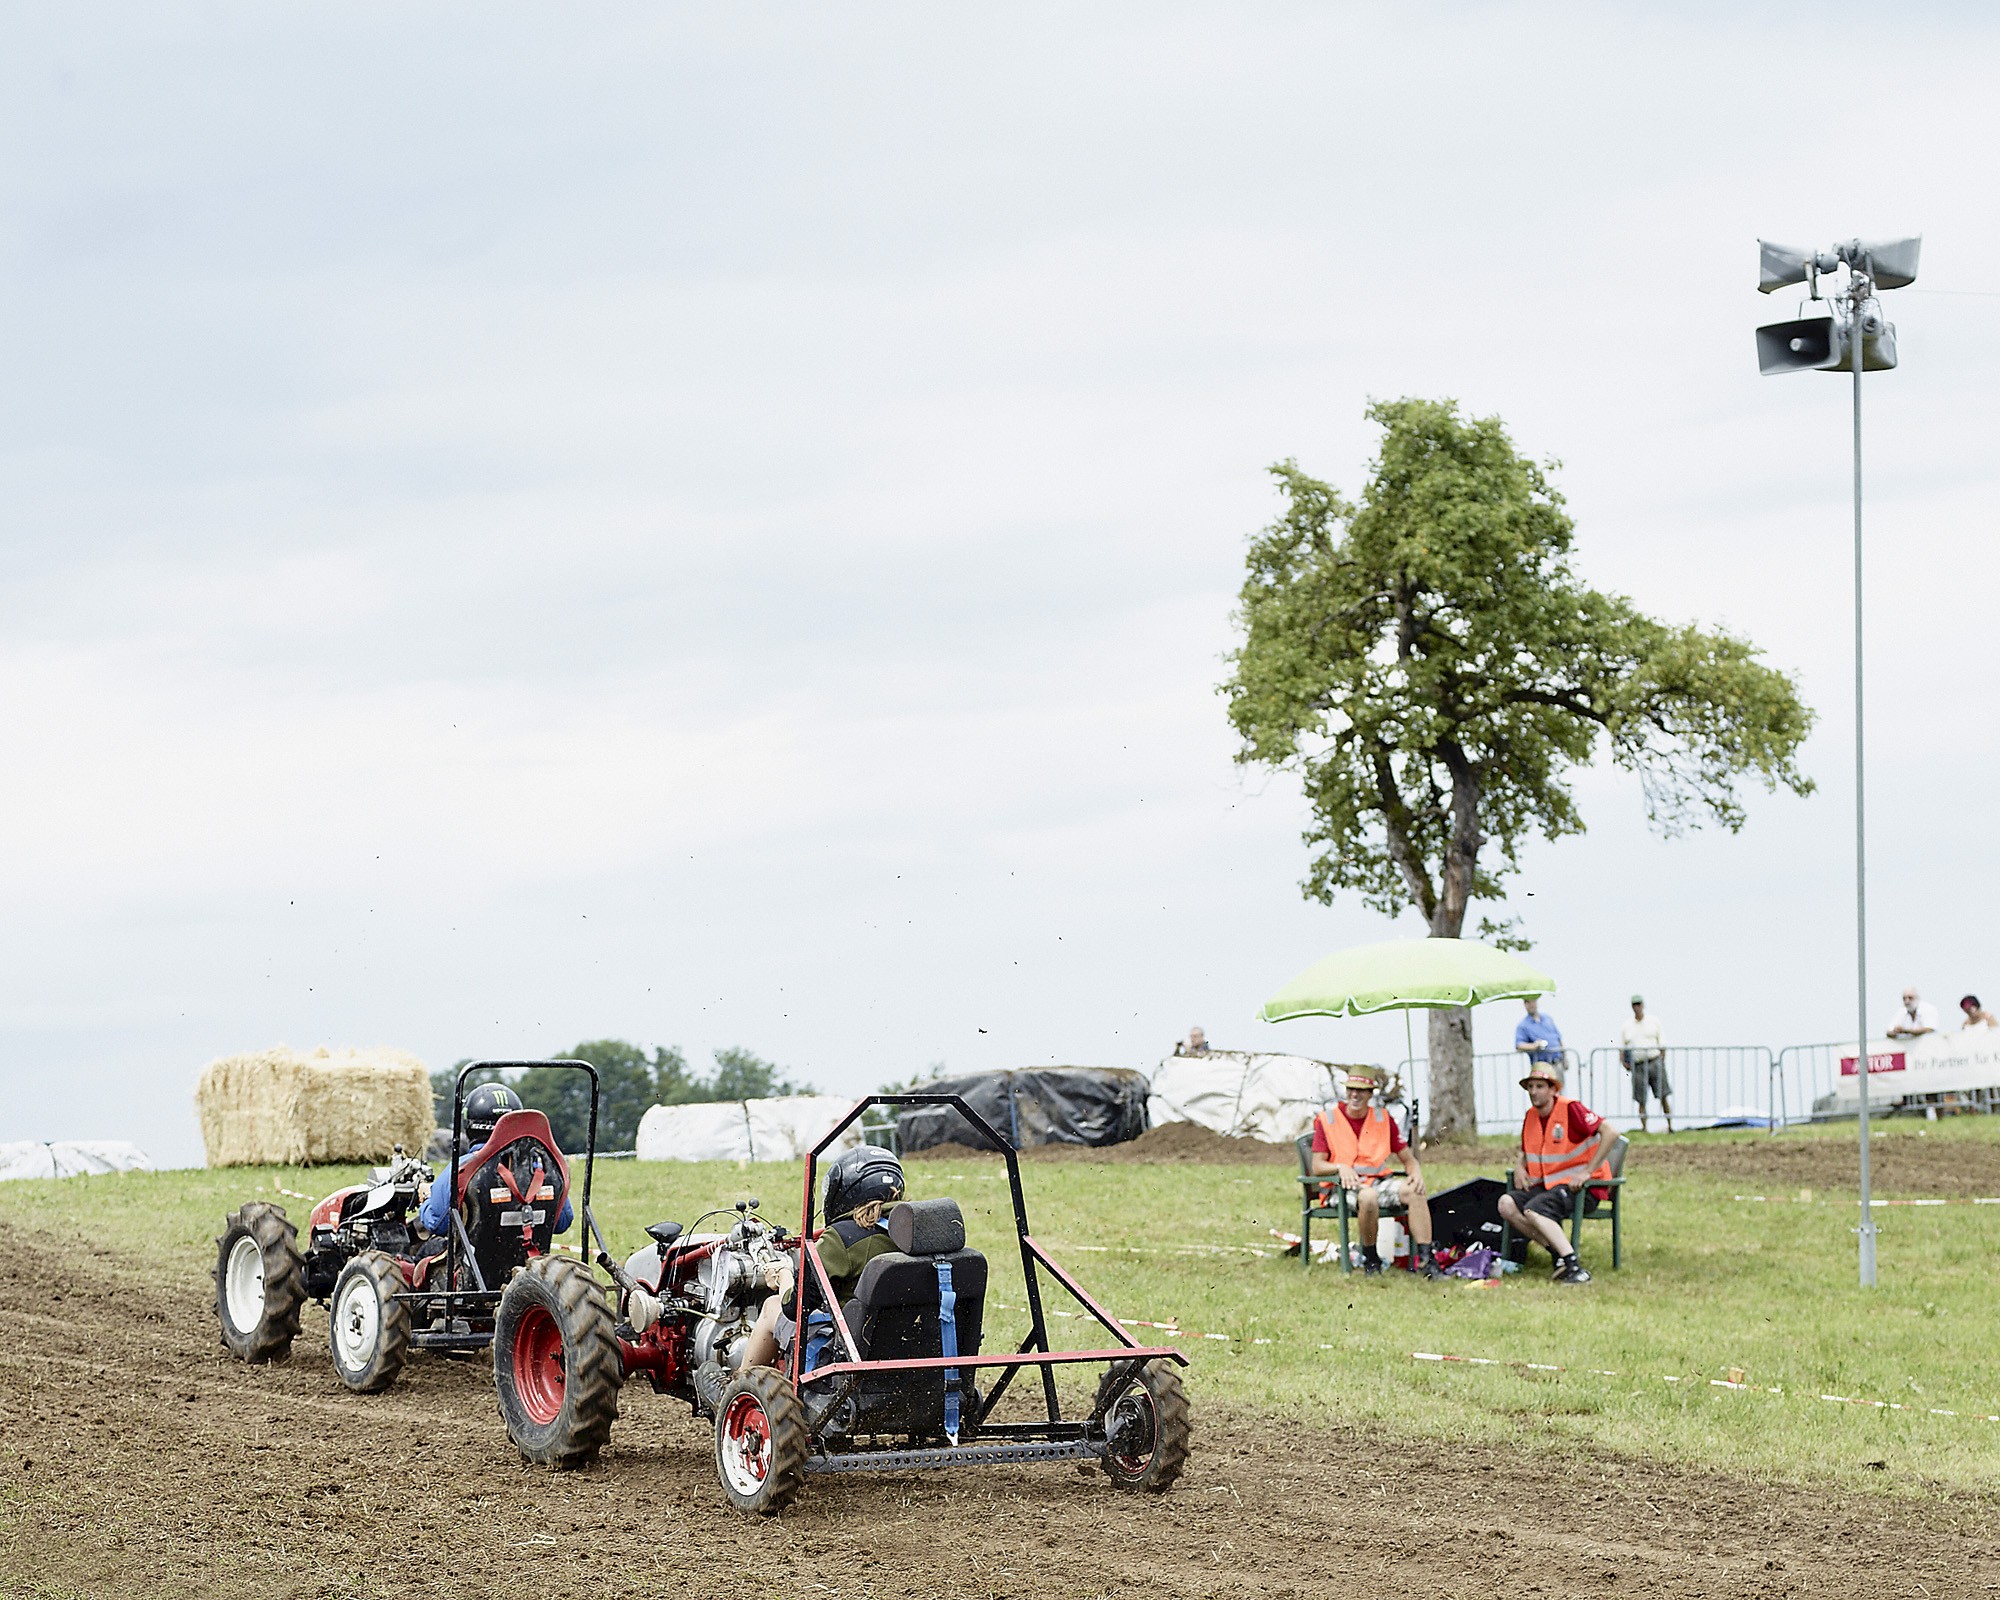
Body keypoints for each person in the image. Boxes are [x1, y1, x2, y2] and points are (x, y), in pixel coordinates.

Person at [743, 1144, 905, 1370]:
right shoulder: (921, 1233)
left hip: (854, 1354)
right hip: (913, 1348)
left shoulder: (843, 1237)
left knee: (772, 1306)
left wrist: (783, 1276)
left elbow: (795, 1307)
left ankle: (740, 1387)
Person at [1309, 1070, 1441, 1278]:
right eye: (1351, 1089)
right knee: (1368, 1197)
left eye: (1361, 1091)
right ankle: (1370, 1258)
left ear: (1370, 1094)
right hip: (1342, 1187)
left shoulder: (1383, 1119)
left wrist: (1416, 1173)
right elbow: (1317, 1166)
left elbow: (1408, 1159)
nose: (1355, 1095)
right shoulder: (1327, 1119)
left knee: (1415, 1191)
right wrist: (1340, 1167)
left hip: (1379, 1183)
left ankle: (1426, 1260)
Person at [1497, 1063, 1615, 1285]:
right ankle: (1558, 1254)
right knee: (1506, 1204)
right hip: (1550, 1186)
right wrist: (1520, 1167)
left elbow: (1611, 1132)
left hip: (1583, 1189)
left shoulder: (1571, 1109)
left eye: (1540, 1086)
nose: (1534, 1092)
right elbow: (1527, 1150)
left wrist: (1587, 1172)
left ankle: (1574, 1267)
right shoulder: (1530, 1116)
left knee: (1534, 1209)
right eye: (1530, 1086)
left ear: (1553, 1089)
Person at [416, 1080, 574, 1239]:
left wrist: (426, 1201)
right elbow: (563, 1222)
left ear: (469, 1123)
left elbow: (437, 1224)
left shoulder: (462, 1169)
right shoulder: (543, 1168)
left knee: (423, 1255)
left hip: (475, 1261)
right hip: (531, 1258)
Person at [1620, 994, 1672, 1134]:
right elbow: (1622, 1046)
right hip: (1638, 1064)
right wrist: (1624, 1062)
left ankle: (1670, 1125)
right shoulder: (1627, 1026)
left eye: (1639, 1004)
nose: (1637, 1007)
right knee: (1641, 1099)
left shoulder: (1653, 1021)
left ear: (1643, 1005)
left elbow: (1662, 1042)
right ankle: (1644, 1128)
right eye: (1634, 1005)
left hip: (1654, 1061)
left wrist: (1661, 1058)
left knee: (1663, 1095)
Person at [1514, 996, 1564, 1071]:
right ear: (1525, 1004)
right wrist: (1534, 1046)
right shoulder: (1523, 1025)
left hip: (1557, 1063)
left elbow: (1558, 1039)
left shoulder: (1547, 1018)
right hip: (1541, 1066)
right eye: (1528, 1002)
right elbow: (1519, 1045)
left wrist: (1565, 1058)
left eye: (1533, 1001)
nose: (1531, 1005)